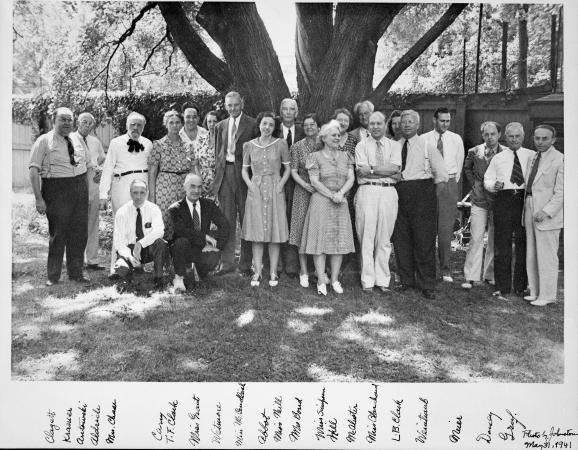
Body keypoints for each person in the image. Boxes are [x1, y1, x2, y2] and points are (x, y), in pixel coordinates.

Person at [29, 107, 92, 286]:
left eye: (69, 120)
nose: (66, 123)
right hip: (56, 188)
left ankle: (76, 273)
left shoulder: (77, 139)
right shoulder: (43, 141)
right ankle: (53, 276)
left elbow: (87, 163)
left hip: (79, 186)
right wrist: (38, 198)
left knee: (79, 232)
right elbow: (33, 170)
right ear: (53, 120)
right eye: (62, 119)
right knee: (58, 233)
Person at [393, 110, 448, 299]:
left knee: (424, 240)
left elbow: (441, 177)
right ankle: (406, 281)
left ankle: (427, 284)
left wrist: (430, 200)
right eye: (403, 122)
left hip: (423, 194)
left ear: (418, 125)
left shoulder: (428, 145)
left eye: (410, 122)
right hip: (399, 192)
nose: (406, 125)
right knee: (402, 239)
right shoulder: (394, 146)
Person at [300, 120, 355, 295]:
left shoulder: (346, 156)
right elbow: (314, 181)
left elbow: (351, 178)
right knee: (320, 241)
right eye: (333, 135)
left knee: (338, 240)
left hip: (340, 200)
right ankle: (321, 280)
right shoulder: (314, 157)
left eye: (339, 135)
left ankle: (335, 279)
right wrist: (332, 195)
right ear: (323, 137)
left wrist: (341, 193)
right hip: (322, 200)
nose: (337, 138)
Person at [484, 122, 534, 299]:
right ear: (505, 137)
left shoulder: (532, 156)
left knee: (523, 244)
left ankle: (521, 286)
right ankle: (502, 286)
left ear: (523, 136)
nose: (514, 139)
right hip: (503, 200)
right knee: (501, 245)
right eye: (510, 136)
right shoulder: (498, 158)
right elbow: (487, 179)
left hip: (524, 200)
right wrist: (493, 185)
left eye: (517, 136)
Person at [241, 111, 291, 287]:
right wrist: (250, 185)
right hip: (256, 189)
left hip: (275, 187)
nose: (267, 127)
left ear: (274, 127)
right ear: (259, 125)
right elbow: (244, 170)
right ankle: (257, 272)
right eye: (264, 124)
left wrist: (280, 185)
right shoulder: (249, 145)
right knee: (257, 232)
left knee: (274, 231)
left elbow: (287, 169)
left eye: (270, 124)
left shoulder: (281, 144)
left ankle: (273, 272)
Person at [354, 112, 401, 292]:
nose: (375, 127)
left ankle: (382, 280)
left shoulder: (394, 146)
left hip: (389, 193)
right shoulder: (361, 146)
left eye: (379, 123)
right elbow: (361, 171)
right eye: (372, 123)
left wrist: (372, 169)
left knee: (384, 237)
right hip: (367, 191)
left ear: (385, 124)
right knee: (366, 236)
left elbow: (395, 168)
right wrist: (385, 171)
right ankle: (367, 280)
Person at [212, 91, 258, 275]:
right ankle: (227, 262)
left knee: (246, 218)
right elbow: (218, 154)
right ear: (225, 106)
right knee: (226, 219)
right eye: (229, 105)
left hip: (245, 175)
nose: (232, 108)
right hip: (225, 174)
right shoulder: (220, 126)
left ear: (242, 103)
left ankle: (245, 264)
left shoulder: (253, 124)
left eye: (236, 105)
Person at [422, 107, 465, 282]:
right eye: (442, 121)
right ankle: (428, 268)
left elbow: (459, 164)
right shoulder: (424, 139)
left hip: (449, 184)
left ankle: (445, 268)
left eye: (448, 121)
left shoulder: (456, 139)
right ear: (434, 120)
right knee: (427, 228)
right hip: (429, 184)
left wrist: (449, 182)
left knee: (446, 229)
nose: (445, 124)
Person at [461, 121, 505, 290]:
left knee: (494, 238)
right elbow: (467, 168)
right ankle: (471, 276)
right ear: (482, 135)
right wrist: (475, 184)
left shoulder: (505, 153)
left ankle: (490, 274)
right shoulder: (474, 151)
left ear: (499, 135)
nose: (490, 137)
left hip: (497, 199)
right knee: (476, 237)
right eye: (486, 134)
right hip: (479, 199)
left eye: (493, 134)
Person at [169, 173, 230, 293]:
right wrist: (204, 237)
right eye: (192, 186)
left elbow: (225, 226)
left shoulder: (208, 205)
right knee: (181, 241)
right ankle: (179, 278)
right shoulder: (176, 208)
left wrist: (217, 247)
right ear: (184, 187)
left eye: (199, 187)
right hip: (183, 250)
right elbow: (181, 231)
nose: (196, 190)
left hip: (203, 249)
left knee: (212, 258)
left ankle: (199, 271)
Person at [523, 125, 563, 307]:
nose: (540, 142)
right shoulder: (533, 157)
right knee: (531, 251)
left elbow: (562, 192)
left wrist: (546, 211)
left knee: (547, 255)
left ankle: (547, 295)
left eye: (545, 138)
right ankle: (534, 290)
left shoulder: (560, 160)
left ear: (553, 140)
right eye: (537, 138)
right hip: (529, 206)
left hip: (547, 213)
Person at [148, 110, 199, 239]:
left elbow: (193, 169)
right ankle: (164, 254)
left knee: (184, 219)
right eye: (171, 123)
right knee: (165, 219)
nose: (175, 125)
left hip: (183, 186)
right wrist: (152, 196)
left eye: (177, 122)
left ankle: (181, 254)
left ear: (182, 124)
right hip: (165, 187)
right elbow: (152, 171)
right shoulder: (158, 144)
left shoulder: (188, 145)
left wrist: (194, 189)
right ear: (166, 124)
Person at [111, 179, 167, 289]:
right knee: (122, 267)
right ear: (130, 193)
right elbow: (119, 242)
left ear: (147, 193)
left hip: (146, 248)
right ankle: (128, 275)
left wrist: (140, 244)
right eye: (135, 193)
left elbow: (159, 231)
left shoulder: (153, 209)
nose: (139, 196)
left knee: (161, 243)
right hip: (130, 250)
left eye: (142, 193)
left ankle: (158, 278)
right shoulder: (122, 212)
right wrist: (129, 256)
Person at [69, 112, 106, 271]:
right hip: (76, 185)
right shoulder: (69, 138)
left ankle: (92, 260)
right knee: (76, 224)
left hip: (93, 185)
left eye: (91, 123)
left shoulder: (95, 141)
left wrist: (99, 172)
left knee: (92, 223)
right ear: (78, 122)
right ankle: (75, 261)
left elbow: (102, 160)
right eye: (84, 122)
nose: (87, 125)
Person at [289, 113, 321, 288]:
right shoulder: (296, 147)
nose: (309, 127)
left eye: (312, 124)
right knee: (301, 231)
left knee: (318, 229)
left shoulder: (324, 144)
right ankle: (303, 271)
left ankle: (318, 270)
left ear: (318, 127)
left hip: (320, 191)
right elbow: (293, 170)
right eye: (306, 125)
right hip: (302, 191)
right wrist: (304, 185)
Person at [274, 98, 304, 278]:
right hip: (277, 180)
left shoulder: (303, 130)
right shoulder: (273, 128)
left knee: (295, 220)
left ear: (296, 112)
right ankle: (275, 262)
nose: (287, 112)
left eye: (291, 109)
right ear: (280, 111)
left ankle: (292, 264)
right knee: (278, 219)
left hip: (298, 182)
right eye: (284, 109)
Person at [100, 112, 152, 213]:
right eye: (133, 124)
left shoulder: (148, 143)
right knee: (122, 219)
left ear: (143, 127)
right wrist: (103, 195)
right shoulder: (116, 143)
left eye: (139, 125)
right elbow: (108, 169)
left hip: (143, 186)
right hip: (121, 187)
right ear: (127, 125)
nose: (136, 127)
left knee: (141, 220)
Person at [180, 104, 214, 198]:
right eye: (188, 117)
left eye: (194, 117)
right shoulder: (177, 135)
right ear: (183, 116)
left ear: (198, 118)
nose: (191, 120)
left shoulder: (206, 134)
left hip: (204, 183)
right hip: (183, 180)